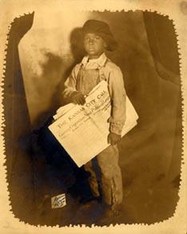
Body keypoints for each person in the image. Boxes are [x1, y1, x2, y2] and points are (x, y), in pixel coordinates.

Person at [62, 19, 126, 217]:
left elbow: (119, 101)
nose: (90, 42)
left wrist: (115, 129)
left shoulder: (111, 71)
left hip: (105, 130)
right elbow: (66, 89)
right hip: (85, 128)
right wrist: (72, 95)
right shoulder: (77, 69)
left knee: (108, 169)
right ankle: (98, 198)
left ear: (105, 43)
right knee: (89, 166)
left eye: (96, 39)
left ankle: (113, 204)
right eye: (87, 39)